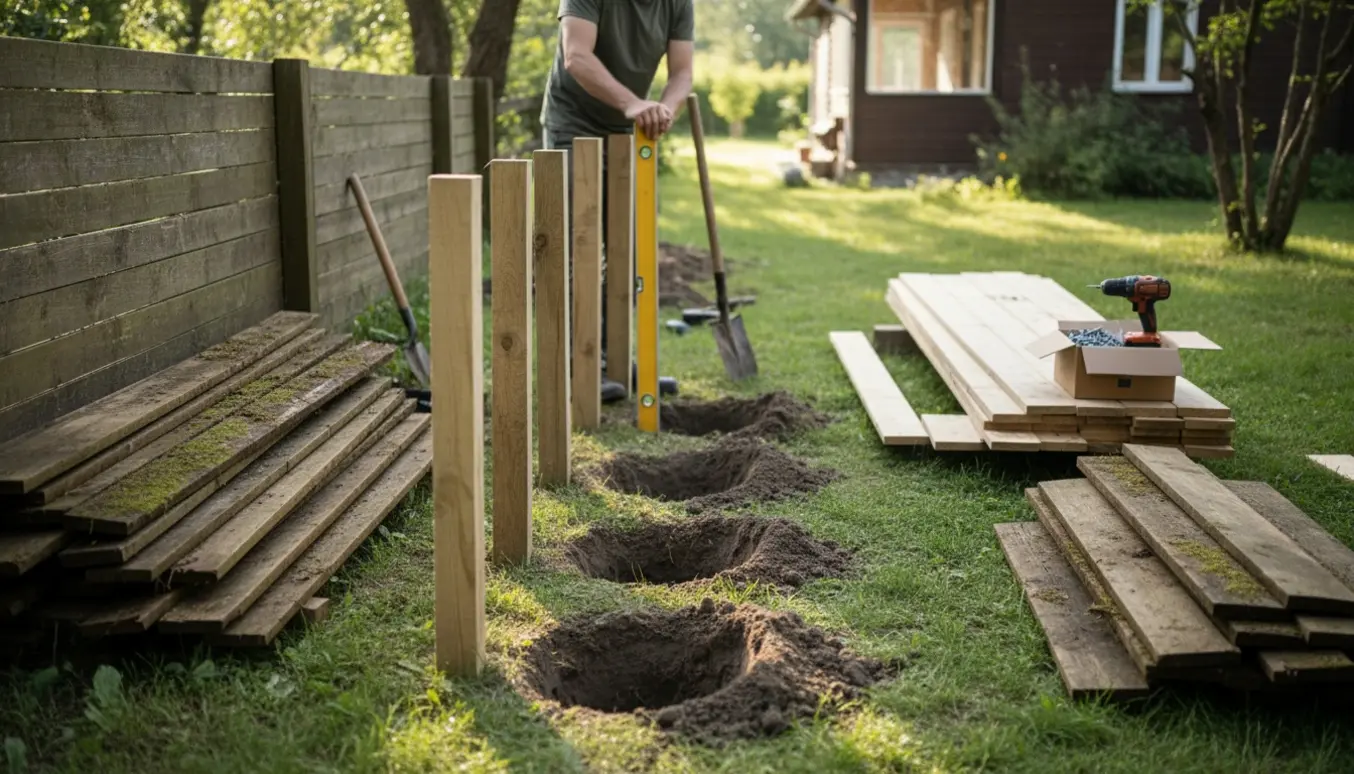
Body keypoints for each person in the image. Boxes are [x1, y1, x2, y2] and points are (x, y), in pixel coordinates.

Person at [541, 0, 695, 399]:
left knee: (629, 249)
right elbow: (575, 55)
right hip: (572, 123)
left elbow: (682, 72)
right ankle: (577, 364)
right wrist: (632, 102)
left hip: (628, 131)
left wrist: (664, 109)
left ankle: (613, 362)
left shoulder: (677, 3)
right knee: (581, 245)